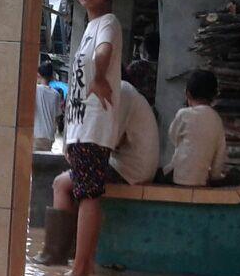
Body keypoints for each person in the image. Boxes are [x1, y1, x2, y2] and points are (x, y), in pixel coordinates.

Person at [43, 80, 158, 265]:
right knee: (70, 180)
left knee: (61, 184)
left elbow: (108, 141)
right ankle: (69, 252)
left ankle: (55, 255)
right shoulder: (123, 91)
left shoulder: (120, 91)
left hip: (130, 169)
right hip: (127, 165)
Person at [61, 0, 121, 276]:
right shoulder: (89, 26)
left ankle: (81, 267)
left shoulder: (108, 22)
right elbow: (76, 89)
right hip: (81, 128)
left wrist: (98, 76)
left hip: (95, 126)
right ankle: (78, 262)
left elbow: (104, 52)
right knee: (83, 191)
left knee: (88, 194)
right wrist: (69, 135)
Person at [164, 69, 228, 187]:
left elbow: (172, 136)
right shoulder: (217, 120)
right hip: (201, 181)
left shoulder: (183, 114)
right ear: (214, 96)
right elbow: (220, 155)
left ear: (188, 94)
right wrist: (215, 176)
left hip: (177, 178)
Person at [34, 62, 62, 151]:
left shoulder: (35, 90)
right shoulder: (56, 94)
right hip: (49, 136)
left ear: (38, 75)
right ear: (51, 77)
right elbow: (57, 116)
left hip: (36, 134)